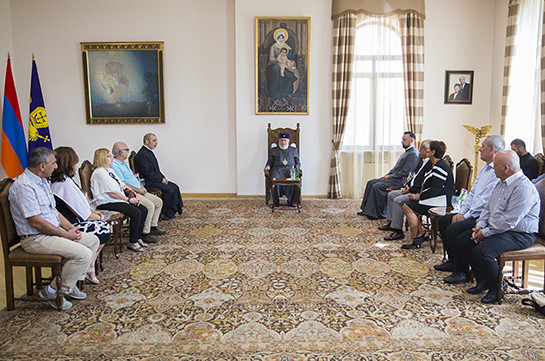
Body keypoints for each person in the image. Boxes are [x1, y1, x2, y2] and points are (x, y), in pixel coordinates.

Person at [8, 147, 99, 310]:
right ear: (42, 166)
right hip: (35, 239)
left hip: (51, 233)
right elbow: (36, 222)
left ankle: (69, 285)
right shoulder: (24, 186)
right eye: (53, 163)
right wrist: (65, 234)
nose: (56, 167)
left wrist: (72, 229)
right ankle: (54, 291)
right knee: (83, 254)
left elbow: (54, 212)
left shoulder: (42, 181)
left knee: (92, 241)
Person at [445, 150, 539, 304]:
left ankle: (497, 287)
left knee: (483, 251)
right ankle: (483, 281)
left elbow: (509, 221)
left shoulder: (523, 188)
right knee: (463, 241)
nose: (492, 168)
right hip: (499, 228)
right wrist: (480, 226)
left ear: (506, 168)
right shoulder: (502, 182)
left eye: (495, 166)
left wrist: (485, 233)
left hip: (520, 234)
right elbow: (488, 208)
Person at [436, 135, 505, 273]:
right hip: (471, 212)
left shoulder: (496, 172)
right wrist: (461, 212)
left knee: (453, 230)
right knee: (444, 222)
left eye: (483, 146)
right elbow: (472, 194)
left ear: (492, 150)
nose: (480, 149)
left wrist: (466, 216)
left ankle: (462, 269)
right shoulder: (485, 169)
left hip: (482, 217)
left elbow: (485, 202)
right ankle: (453, 261)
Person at [50, 146, 111, 284]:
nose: (75, 166)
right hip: (70, 224)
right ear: (67, 164)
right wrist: (96, 216)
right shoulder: (63, 184)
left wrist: (94, 213)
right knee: (102, 228)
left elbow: (80, 206)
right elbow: (82, 214)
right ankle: (88, 267)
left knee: (102, 226)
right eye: (74, 162)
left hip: (73, 219)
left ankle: (90, 265)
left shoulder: (65, 180)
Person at [91, 148, 152, 253]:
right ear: (102, 158)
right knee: (136, 212)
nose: (111, 158)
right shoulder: (99, 173)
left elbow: (122, 185)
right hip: (106, 202)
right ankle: (133, 242)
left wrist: (133, 194)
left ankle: (137, 237)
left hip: (116, 200)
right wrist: (129, 200)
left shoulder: (109, 170)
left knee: (143, 209)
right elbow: (112, 193)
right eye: (109, 156)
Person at [401, 140, 455, 249]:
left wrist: (418, 196)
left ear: (433, 152)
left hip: (441, 201)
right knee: (410, 204)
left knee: (407, 207)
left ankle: (414, 239)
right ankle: (420, 234)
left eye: (429, 149)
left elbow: (434, 190)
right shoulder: (435, 165)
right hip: (435, 198)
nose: (426, 150)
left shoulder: (440, 167)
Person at [357, 131, 420, 219]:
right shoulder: (406, 152)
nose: (402, 141)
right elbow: (395, 169)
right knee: (370, 183)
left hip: (400, 180)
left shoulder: (413, 154)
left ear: (411, 141)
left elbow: (406, 172)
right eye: (402, 139)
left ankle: (376, 213)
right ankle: (366, 210)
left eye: (404, 140)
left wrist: (389, 177)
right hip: (393, 178)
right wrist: (386, 176)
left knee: (377, 186)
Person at [110, 142, 166, 238]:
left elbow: (133, 178)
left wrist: (141, 186)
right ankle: (145, 232)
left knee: (158, 202)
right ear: (120, 152)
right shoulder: (115, 165)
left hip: (138, 189)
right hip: (130, 193)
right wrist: (138, 190)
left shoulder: (123, 163)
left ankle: (153, 226)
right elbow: (123, 184)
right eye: (126, 150)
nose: (128, 152)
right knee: (149, 206)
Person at [380, 140, 432, 241]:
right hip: (411, 188)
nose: (419, 150)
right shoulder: (422, 161)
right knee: (391, 195)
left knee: (397, 200)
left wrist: (410, 190)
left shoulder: (430, 164)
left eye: (420, 148)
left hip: (417, 192)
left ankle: (398, 230)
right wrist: (407, 186)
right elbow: (414, 177)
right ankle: (391, 222)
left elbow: (422, 183)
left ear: (427, 151)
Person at [134, 133, 184, 220]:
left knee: (175, 186)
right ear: (146, 141)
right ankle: (165, 212)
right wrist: (160, 179)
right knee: (170, 190)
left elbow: (156, 170)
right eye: (154, 140)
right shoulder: (142, 154)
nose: (156, 142)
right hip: (149, 181)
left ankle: (174, 210)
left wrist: (163, 177)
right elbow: (147, 173)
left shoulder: (148, 152)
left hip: (155, 179)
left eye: (156, 140)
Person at [264, 132, 301, 207]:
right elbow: (270, 161)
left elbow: (298, 162)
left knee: (294, 179)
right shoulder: (274, 150)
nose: (283, 142)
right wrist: (268, 166)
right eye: (281, 140)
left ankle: (292, 202)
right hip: (277, 169)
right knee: (274, 179)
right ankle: (275, 202)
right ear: (279, 141)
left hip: (290, 169)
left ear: (288, 141)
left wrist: (296, 169)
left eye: (285, 140)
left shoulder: (293, 150)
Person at [267, 29, 300, 99]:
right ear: (277, 38)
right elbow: (271, 58)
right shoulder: (273, 46)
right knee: (276, 69)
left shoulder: (287, 47)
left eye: (282, 38)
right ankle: (274, 91)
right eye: (279, 38)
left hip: (285, 64)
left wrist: (289, 58)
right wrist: (278, 60)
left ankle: (286, 92)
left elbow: (289, 58)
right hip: (274, 64)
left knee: (292, 73)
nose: (281, 39)